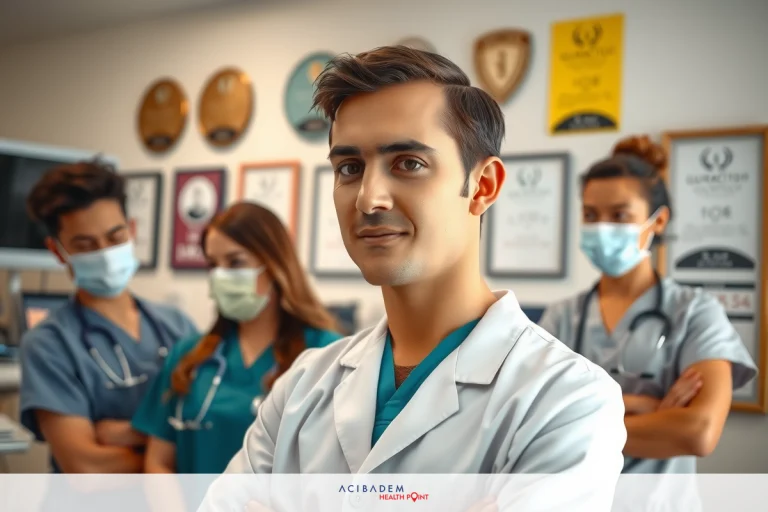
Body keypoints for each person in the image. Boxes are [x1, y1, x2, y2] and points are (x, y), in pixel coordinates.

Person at [201, 47, 626, 506]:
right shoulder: (300, 389)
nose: (369, 199)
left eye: (408, 163)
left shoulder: (565, 400)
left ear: (482, 186)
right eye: (350, 168)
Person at [537, 135, 757, 473]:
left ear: (658, 221)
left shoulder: (695, 313)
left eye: (620, 215)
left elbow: (698, 432)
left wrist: (579, 420)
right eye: (591, 215)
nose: (601, 228)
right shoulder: (562, 317)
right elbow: (533, 426)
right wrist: (646, 409)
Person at [132, 202, 343, 473]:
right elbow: (159, 461)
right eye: (213, 264)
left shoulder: (326, 355)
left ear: (275, 264)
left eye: (235, 262)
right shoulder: (189, 355)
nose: (221, 275)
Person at [19, 159, 198, 473]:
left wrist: (124, 433)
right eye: (86, 245)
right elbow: (86, 468)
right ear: (58, 251)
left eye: (115, 238)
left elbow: (206, 423)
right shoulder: (49, 344)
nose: (104, 253)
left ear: (132, 230)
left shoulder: (176, 325)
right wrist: (169, 455)